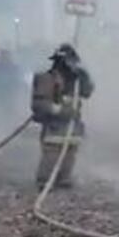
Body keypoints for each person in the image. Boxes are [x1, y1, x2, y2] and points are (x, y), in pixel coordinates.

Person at [30, 43, 94, 189]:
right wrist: (59, 110)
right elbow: (40, 103)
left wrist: (84, 77)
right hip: (54, 124)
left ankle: (64, 177)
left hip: (72, 124)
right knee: (52, 154)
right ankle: (45, 180)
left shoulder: (76, 79)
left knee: (70, 153)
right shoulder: (47, 78)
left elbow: (87, 92)